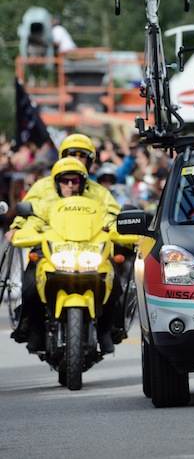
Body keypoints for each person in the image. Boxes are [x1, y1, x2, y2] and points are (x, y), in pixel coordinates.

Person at [6, 133, 121, 352]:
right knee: (31, 282)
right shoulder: (42, 187)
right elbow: (29, 214)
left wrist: (121, 231)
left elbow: (112, 217)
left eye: (82, 155)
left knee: (113, 279)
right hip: (51, 248)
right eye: (71, 154)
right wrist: (17, 228)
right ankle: (35, 329)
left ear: (90, 161)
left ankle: (108, 328)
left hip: (90, 249)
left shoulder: (100, 193)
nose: (77, 159)